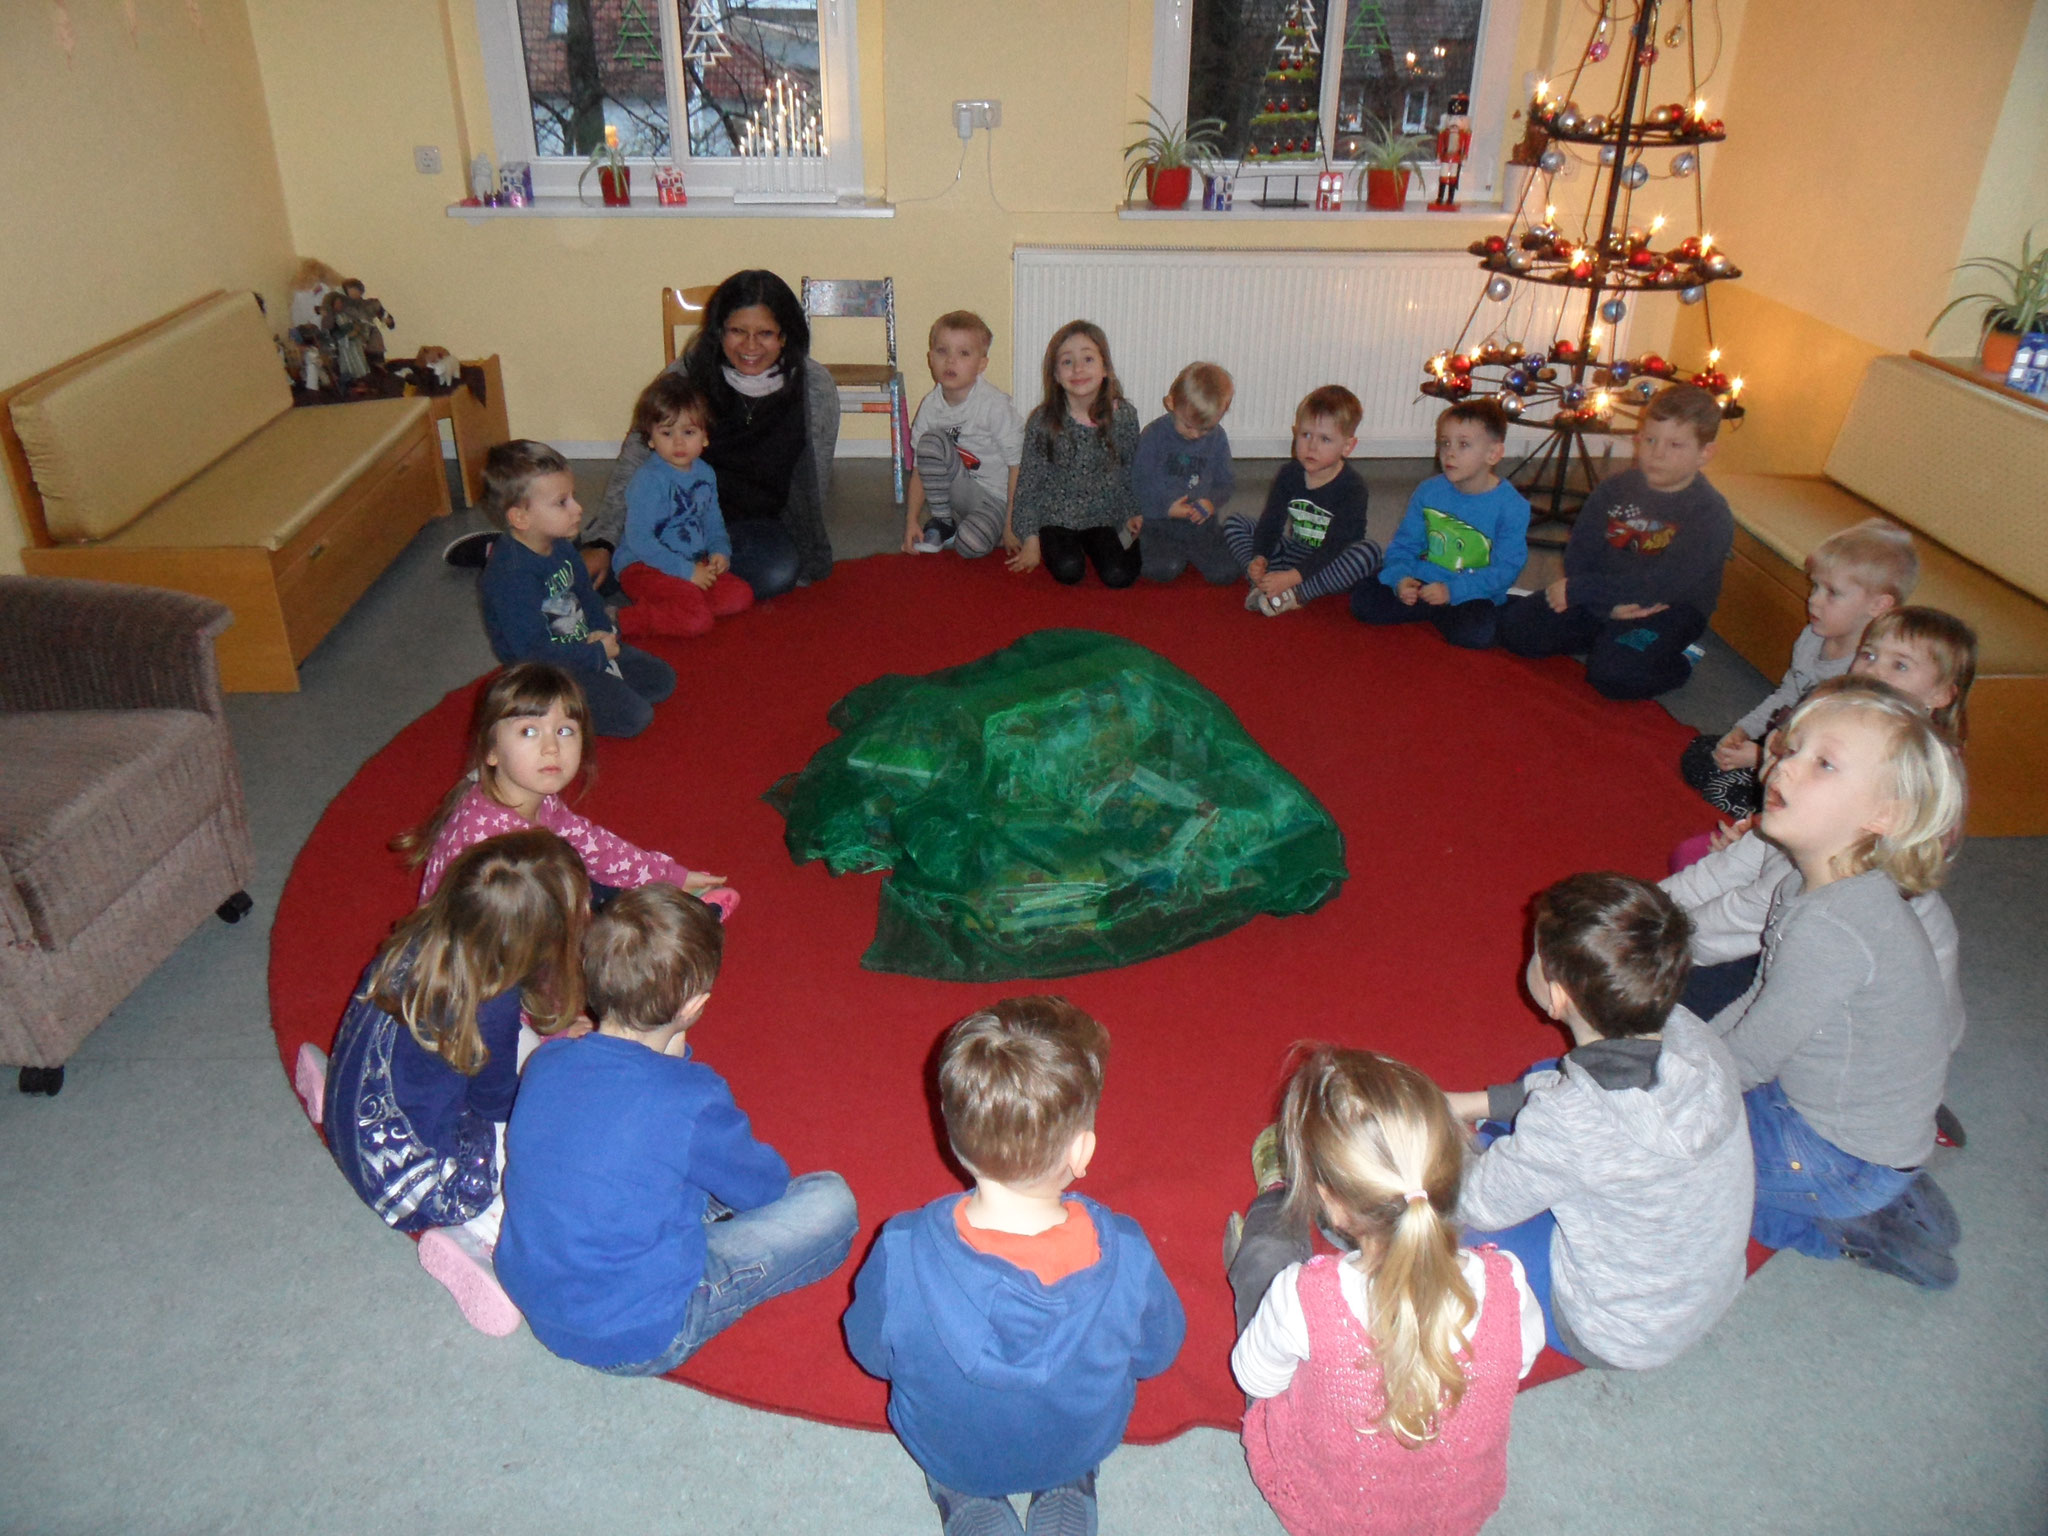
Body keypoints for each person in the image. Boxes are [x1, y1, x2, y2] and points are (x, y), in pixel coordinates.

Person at [844, 997, 1185, 1536]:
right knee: (1089, 1405)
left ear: (954, 1142)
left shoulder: (902, 1247)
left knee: (949, 1439)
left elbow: (871, 1354)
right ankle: (1069, 1480)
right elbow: (1156, 1355)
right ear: (1082, 1152)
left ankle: (962, 1492)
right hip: (1078, 1437)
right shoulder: (1126, 1253)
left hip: (951, 1445)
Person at [496, 884, 859, 1373]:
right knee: (831, 1201)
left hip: (535, 1289)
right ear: (693, 1007)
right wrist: (680, 1065)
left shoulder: (549, 1058)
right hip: (637, 1332)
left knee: (648, 1163)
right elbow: (764, 1187)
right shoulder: (691, 1096)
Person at [1227, 1046, 1543, 1536]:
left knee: (1267, 1261)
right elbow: (1518, 1364)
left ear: (1330, 1203)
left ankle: (1277, 1194)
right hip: (1456, 1514)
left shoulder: (1305, 1294)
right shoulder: (1508, 1282)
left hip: (1328, 1513)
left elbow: (1257, 1380)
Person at [1713, 684, 1968, 1287]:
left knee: (1689, 1172)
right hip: (1869, 1135)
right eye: (1790, 748)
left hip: (1841, 1156)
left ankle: (1848, 1230)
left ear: (1884, 818)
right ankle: (1890, 1191)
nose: (1783, 765)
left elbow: (1751, 1055)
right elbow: (1761, 1002)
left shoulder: (1832, 925)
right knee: (1703, 1084)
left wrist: (1664, 1093)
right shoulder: (1819, 889)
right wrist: (1689, 1051)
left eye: (1822, 763)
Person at [1444, 874, 1754, 1369]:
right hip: (1691, 1290)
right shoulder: (1692, 1036)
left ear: (1558, 995)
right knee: (1548, 1078)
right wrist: (1468, 1104)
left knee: (1427, 1226)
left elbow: (1469, 1203)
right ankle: (1520, 1159)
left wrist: (1440, 1141)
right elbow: (1570, 1098)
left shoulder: (1573, 1123)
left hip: (1612, 1329)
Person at [318, 829, 588, 1336]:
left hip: (356, 1112)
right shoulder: (493, 1005)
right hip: (409, 1181)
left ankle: (333, 1096)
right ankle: (476, 1236)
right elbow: (496, 1106)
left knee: (516, 1060)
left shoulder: (423, 936)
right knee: (543, 1143)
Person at [390, 662, 734, 914]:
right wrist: (558, 1011)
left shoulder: (529, 796)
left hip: (534, 906)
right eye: (529, 731)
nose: (551, 747)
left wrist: (669, 875)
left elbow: (591, 846)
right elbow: (498, 956)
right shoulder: (494, 849)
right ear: (491, 750)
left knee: (600, 882)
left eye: (565, 731)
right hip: (490, 960)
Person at [587, 269, 837, 596]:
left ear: (785, 336)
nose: (750, 346)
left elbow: (814, 486)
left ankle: (668, 582)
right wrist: (603, 541)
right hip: (671, 519)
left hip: (752, 526)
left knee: (778, 571)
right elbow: (634, 464)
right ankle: (676, 579)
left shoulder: (815, 388)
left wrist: (806, 546)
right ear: (719, 332)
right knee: (592, 573)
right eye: (737, 331)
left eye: (765, 333)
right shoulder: (686, 377)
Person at [1497, 383, 1734, 698]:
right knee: (1516, 629)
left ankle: (1680, 660)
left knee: (1612, 675)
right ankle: (1604, 632)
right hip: (1603, 594)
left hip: (1664, 609)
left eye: (1675, 445)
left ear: (1705, 453)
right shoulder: (1614, 489)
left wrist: (1582, 592)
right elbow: (1580, 554)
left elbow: (1663, 584)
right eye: (1650, 440)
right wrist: (1604, 606)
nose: (1657, 453)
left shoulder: (1710, 513)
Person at [1679, 518, 1917, 815]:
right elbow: (1787, 693)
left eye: (1832, 593)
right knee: (1702, 754)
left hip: (1826, 767)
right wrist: (1743, 730)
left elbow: (1836, 754)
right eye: (1815, 587)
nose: (1813, 601)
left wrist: (1764, 757)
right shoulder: (1812, 637)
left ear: (1878, 606)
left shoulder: (1865, 673)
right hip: (1788, 738)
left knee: (1744, 791)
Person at [475, 440, 676, 739]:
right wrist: (594, 655)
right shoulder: (510, 577)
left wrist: (603, 630)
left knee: (662, 681)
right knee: (636, 717)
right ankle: (541, 708)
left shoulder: (561, 546)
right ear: (520, 517)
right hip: (544, 672)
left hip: (582, 648)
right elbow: (532, 652)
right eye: (562, 502)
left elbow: (586, 595)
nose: (578, 509)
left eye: (573, 496)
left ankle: (596, 683)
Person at [1352, 398, 1530, 648]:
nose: (1450, 452)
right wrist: (1401, 579)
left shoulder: (1512, 507)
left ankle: (1502, 606)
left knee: (1477, 634)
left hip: (1468, 591)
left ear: (1493, 454)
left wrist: (1452, 591)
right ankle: (1426, 608)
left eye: (1463, 444)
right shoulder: (1429, 491)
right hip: (1421, 582)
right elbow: (1404, 545)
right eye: (1444, 443)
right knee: (1364, 600)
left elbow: (1506, 569)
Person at [612, 371, 753, 639]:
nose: (678, 442)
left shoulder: (705, 473)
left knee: (740, 596)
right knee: (696, 620)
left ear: (705, 437)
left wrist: (719, 550)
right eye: (667, 433)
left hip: (691, 560)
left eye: (688, 432)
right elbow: (640, 540)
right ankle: (621, 619)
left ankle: (680, 602)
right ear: (651, 439)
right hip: (643, 566)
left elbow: (712, 520)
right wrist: (685, 572)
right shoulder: (648, 480)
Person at [1222, 385, 1380, 617]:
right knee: (1235, 522)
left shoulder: (1352, 488)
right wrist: (1259, 557)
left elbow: (1337, 546)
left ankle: (1295, 594)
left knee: (1369, 553)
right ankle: (1261, 583)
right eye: (1305, 435)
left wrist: (1292, 578)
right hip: (1292, 553)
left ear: (1347, 446)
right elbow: (1271, 522)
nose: (1312, 446)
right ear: (1294, 432)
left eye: (1325, 439)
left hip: (1330, 565)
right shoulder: (1290, 473)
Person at [1007, 321, 1144, 587]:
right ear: (1056, 374)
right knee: (1068, 570)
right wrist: (1030, 539)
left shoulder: (1124, 416)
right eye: (1067, 362)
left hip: (1104, 515)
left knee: (1120, 576)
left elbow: (1130, 470)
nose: (1078, 369)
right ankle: (1063, 546)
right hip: (1057, 515)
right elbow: (1029, 485)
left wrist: (1132, 513)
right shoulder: (1044, 421)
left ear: (1105, 368)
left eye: (1088, 359)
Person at [901, 310, 1025, 558]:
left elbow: (1017, 467)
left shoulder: (994, 405)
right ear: (930, 358)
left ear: (981, 364)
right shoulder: (930, 405)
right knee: (929, 443)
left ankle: (974, 527)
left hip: (995, 498)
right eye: (942, 351)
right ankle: (944, 522)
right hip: (958, 492)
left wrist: (1012, 525)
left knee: (971, 546)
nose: (950, 361)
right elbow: (919, 468)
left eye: (963, 353)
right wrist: (911, 521)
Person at [1130, 361, 1242, 585]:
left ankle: (1191, 552)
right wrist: (1166, 507)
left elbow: (1225, 482)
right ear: (1171, 403)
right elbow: (1140, 480)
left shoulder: (1217, 438)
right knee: (1162, 568)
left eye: (1206, 428)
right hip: (1160, 521)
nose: (1196, 435)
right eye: (1188, 425)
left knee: (1227, 572)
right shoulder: (1154, 435)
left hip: (1201, 523)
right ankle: (1149, 544)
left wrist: (1211, 503)